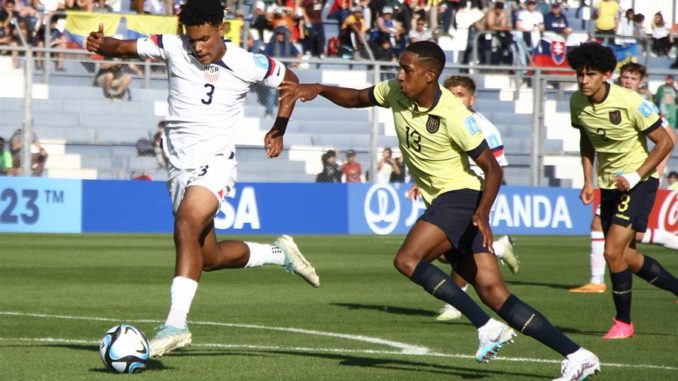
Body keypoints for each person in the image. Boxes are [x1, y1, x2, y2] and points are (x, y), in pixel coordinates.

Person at [279, 41, 600, 380]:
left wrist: (482, 213)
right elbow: (357, 98)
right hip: (446, 202)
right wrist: (317, 88)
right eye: (399, 68)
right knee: (494, 292)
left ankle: (486, 327)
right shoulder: (395, 92)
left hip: (460, 197)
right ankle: (578, 355)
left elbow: (493, 168)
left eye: (407, 70)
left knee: (407, 260)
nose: (399, 76)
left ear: (430, 76)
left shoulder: (454, 115)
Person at [86, 0, 320, 358]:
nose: (198, 47)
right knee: (206, 257)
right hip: (177, 167)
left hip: (215, 163)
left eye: (205, 39)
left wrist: (279, 127)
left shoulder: (246, 62)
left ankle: (175, 324)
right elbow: (122, 47)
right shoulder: (172, 46)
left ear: (221, 29)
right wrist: (100, 45)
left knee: (186, 224)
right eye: (192, 39)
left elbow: (291, 81)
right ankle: (279, 254)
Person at [567, 42, 678, 340]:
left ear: (606, 74)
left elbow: (666, 142)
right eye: (580, 74)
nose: (583, 80)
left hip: (640, 181)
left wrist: (635, 174)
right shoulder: (577, 102)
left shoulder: (630, 102)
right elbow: (586, 140)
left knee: (612, 251)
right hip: (608, 184)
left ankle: (623, 323)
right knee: (626, 256)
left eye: (590, 74)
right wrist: (588, 180)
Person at [416, 75, 519, 322]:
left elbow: (496, 168)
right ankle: (500, 247)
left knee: (450, 248)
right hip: (449, 193)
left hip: (475, 197)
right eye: (450, 93)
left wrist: (484, 207)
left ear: (472, 99)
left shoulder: (485, 129)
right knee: (448, 252)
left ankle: (456, 304)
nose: (454, 98)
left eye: (460, 94)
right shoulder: (443, 121)